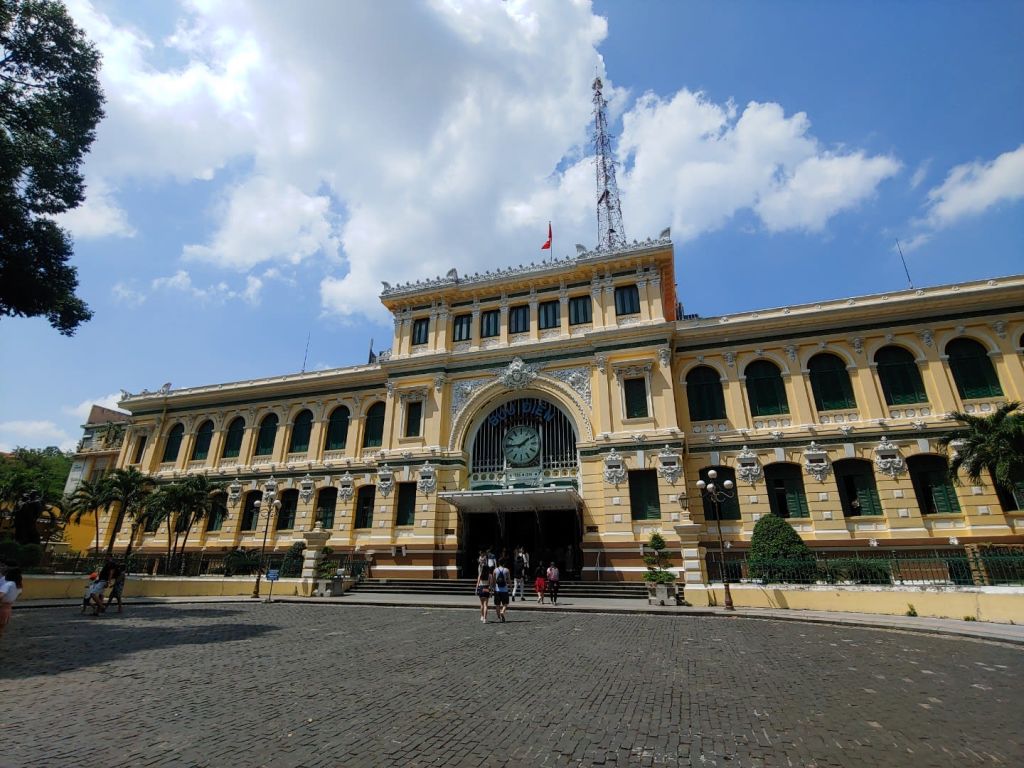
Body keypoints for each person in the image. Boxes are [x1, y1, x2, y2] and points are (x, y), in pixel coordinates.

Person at [0, 568, 23, 640]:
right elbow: (19, 594)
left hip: (2, 607)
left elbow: (1, 595)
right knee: (1, 628)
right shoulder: (19, 586)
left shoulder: (8, 584)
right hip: (9, 608)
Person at [492, 558, 511, 623]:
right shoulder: (506, 570)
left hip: (497, 590)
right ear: (504, 563)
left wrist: (493, 589)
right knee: (505, 603)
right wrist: (511, 588)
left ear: (498, 563)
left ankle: (499, 618)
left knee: (497, 604)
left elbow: (494, 581)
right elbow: (509, 580)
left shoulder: (495, 570)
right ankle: (502, 611)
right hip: (504, 590)